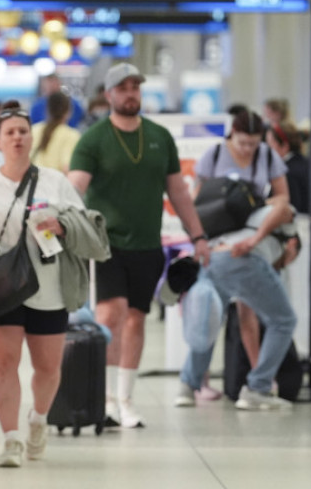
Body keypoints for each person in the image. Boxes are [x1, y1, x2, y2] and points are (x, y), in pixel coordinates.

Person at [0, 101, 97, 467]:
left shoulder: (55, 182)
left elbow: (82, 223)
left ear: (32, 138)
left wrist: (62, 225)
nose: (17, 138)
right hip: (1, 286)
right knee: (4, 363)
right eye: (9, 132)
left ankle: (38, 419)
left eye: (23, 132)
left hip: (48, 287)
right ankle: (11, 438)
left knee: (47, 367)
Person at [68, 63, 211, 429]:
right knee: (110, 315)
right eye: (123, 87)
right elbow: (75, 188)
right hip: (106, 244)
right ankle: (106, 398)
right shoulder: (93, 139)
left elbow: (178, 191)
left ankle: (126, 398)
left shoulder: (160, 137)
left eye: (136, 87)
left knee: (136, 318)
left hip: (148, 244)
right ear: (110, 94)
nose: (131, 93)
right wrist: (63, 227)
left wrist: (197, 236)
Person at [175, 196, 299, 409]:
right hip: (243, 257)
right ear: (292, 245)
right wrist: (255, 240)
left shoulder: (250, 214)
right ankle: (258, 388)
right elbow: (284, 207)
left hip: (215, 258)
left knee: (210, 321)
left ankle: (187, 386)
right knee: (284, 320)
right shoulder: (288, 224)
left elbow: (246, 319)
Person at [194, 109, 290, 377]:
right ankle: (197, 381)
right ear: (232, 135)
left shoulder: (267, 156)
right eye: (242, 143)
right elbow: (197, 200)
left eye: (253, 143)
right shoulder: (213, 155)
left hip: (250, 241)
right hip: (218, 242)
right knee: (210, 312)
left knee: (249, 311)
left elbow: (283, 199)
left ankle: (257, 376)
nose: (248, 149)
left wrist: (253, 209)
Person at [266, 121, 310, 214]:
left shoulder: (287, 173)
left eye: (270, 145)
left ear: (284, 147)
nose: (266, 150)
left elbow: (291, 210)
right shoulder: (307, 163)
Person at [30, 91, 80, 173]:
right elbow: (66, 168)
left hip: (33, 182)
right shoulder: (71, 135)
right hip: (56, 183)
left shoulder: (33, 130)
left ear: (47, 109)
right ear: (68, 112)